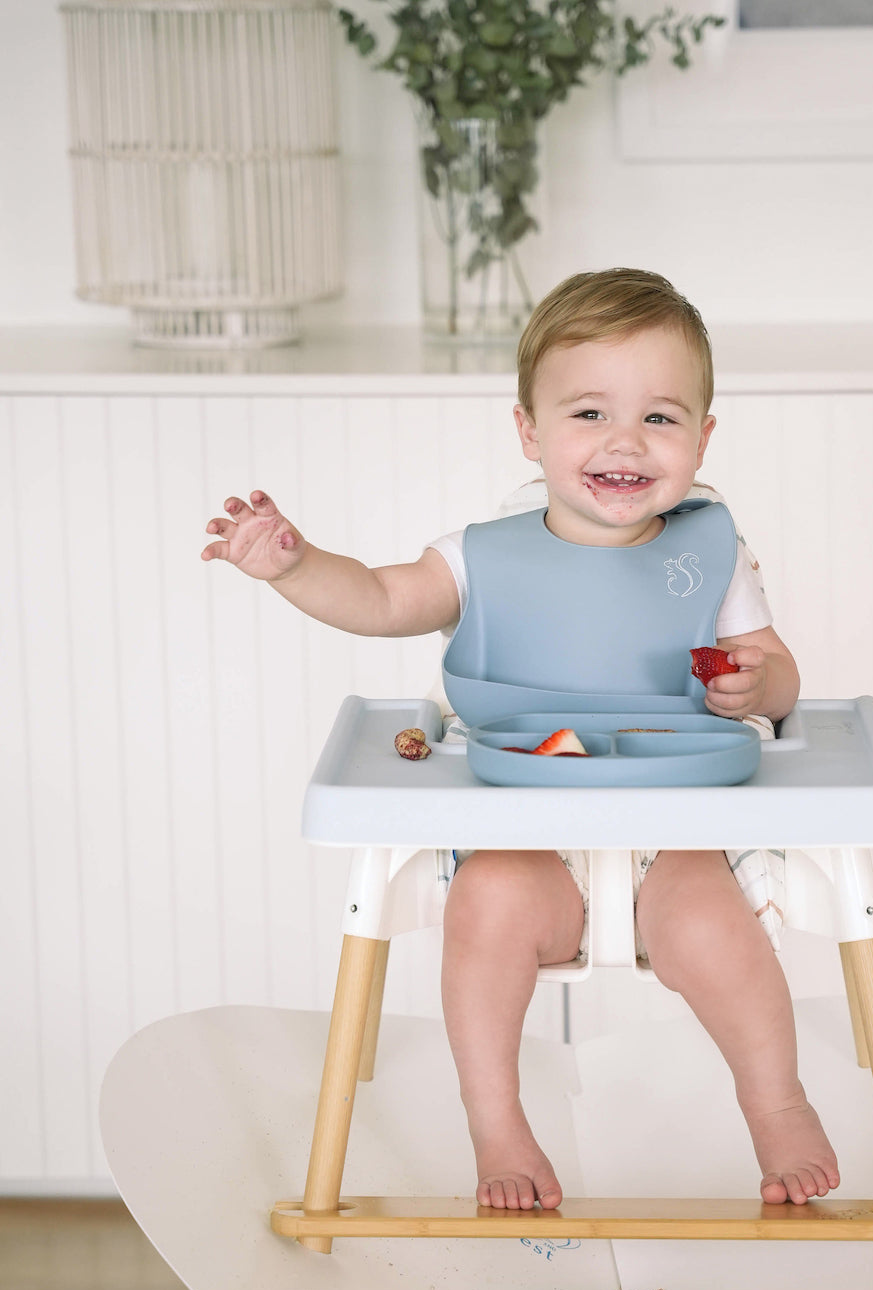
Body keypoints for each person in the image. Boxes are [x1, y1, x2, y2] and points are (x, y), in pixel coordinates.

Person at [201, 267, 840, 1214]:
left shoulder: (710, 552)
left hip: (678, 823)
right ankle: (495, 1118)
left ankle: (774, 1098)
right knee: (489, 902)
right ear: (529, 430)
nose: (624, 440)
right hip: (523, 819)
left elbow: (777, 672)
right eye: (588, 412)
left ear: (703, 439)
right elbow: (379, 600)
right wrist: (293, 568)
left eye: (660, 419)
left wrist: (758, 679)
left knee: (708, 922)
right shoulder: (480, 556)